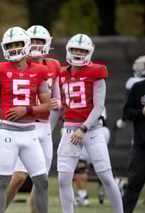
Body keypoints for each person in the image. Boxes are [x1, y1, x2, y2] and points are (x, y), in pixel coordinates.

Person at [0, 26, 51, 213]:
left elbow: (47, 106)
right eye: (10, 45)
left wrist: (26, 109)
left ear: (26, 45)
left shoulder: (40, 70)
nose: (14, 48)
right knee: (2, 181)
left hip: (30, 132)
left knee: (42, 181)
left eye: (17, 44)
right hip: (7, 132)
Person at [49, 34, 123, 213]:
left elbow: (98, 107)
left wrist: (83, 128)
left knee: (105, 176)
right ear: (69, 50)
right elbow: (57, 106)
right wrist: (47, 131)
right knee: (63, 179)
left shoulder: (96, 71)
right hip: (69, 129)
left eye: (82, 50)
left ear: (89, 52)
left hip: (92, 129)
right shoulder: (60, 74)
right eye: (75, 49)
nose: (78, 53)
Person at [5, 25, 60, 212]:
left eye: (40, 41)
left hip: (44, 127)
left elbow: (57, 99)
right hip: (25, 125)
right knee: (18, 177)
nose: (36, 45)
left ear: (47, 43)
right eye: (33, 41)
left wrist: (56, 105)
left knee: (40, 180)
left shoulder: (53, 65)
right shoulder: (19, 63)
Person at [122, 71, 145, 213]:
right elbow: (126, 112)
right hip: (141, 148)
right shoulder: (138, 87)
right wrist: (141, 113)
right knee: (132, 187)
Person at [115, 56, 145, 129]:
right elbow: (128, 104)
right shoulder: (133, 81)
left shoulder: (132, 81)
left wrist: (123, 119)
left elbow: (127, 103)